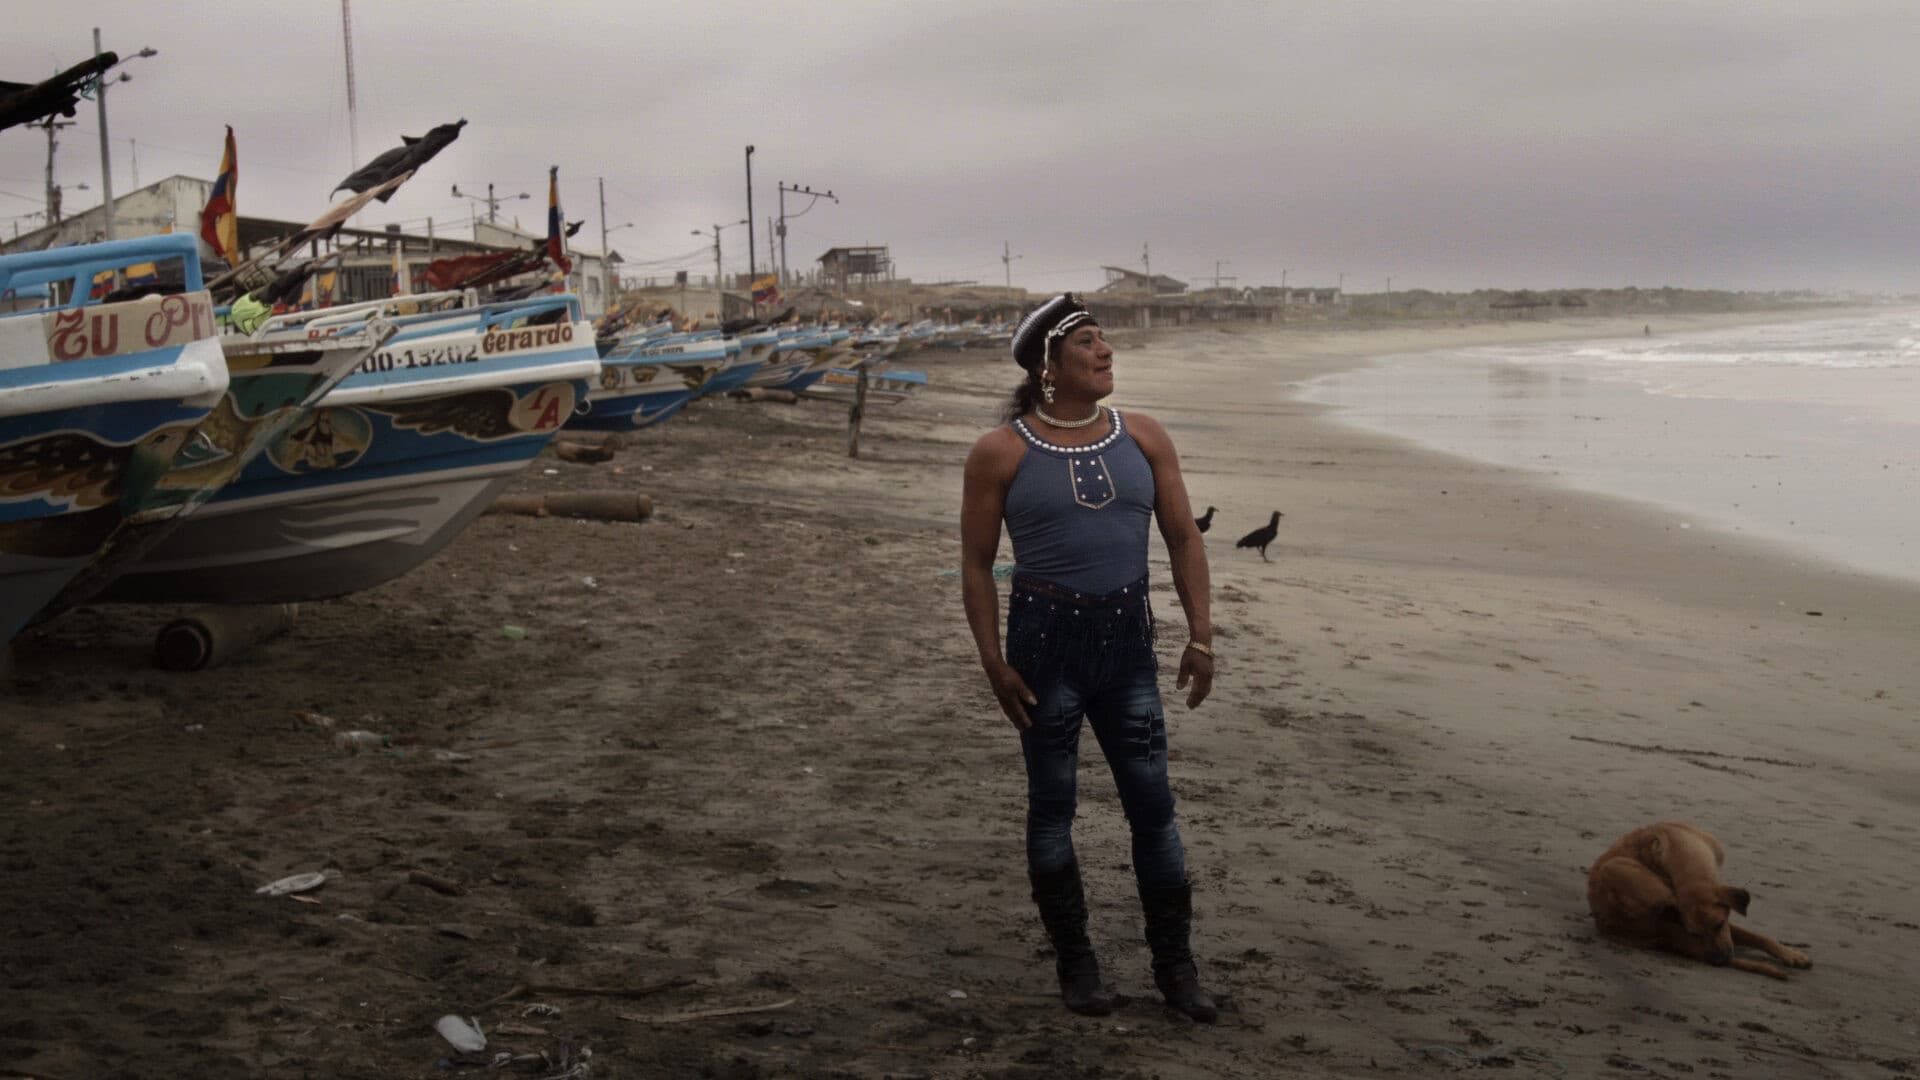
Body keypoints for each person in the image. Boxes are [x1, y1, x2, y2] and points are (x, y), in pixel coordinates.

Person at [959, 293, 1219, 1022]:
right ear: (1049, 366)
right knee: (1052, 810)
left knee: (1153, 809)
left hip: (1128, 646)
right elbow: (977, 564)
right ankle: (1077, 966)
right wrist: (991, 660)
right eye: (1087, 344)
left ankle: (1177, 971)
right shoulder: (1000, 452)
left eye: (1105, 342)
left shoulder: (1143, 437)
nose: (1106, 353)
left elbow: (1183, 538)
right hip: (1045, 650)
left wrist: (1201, 634)